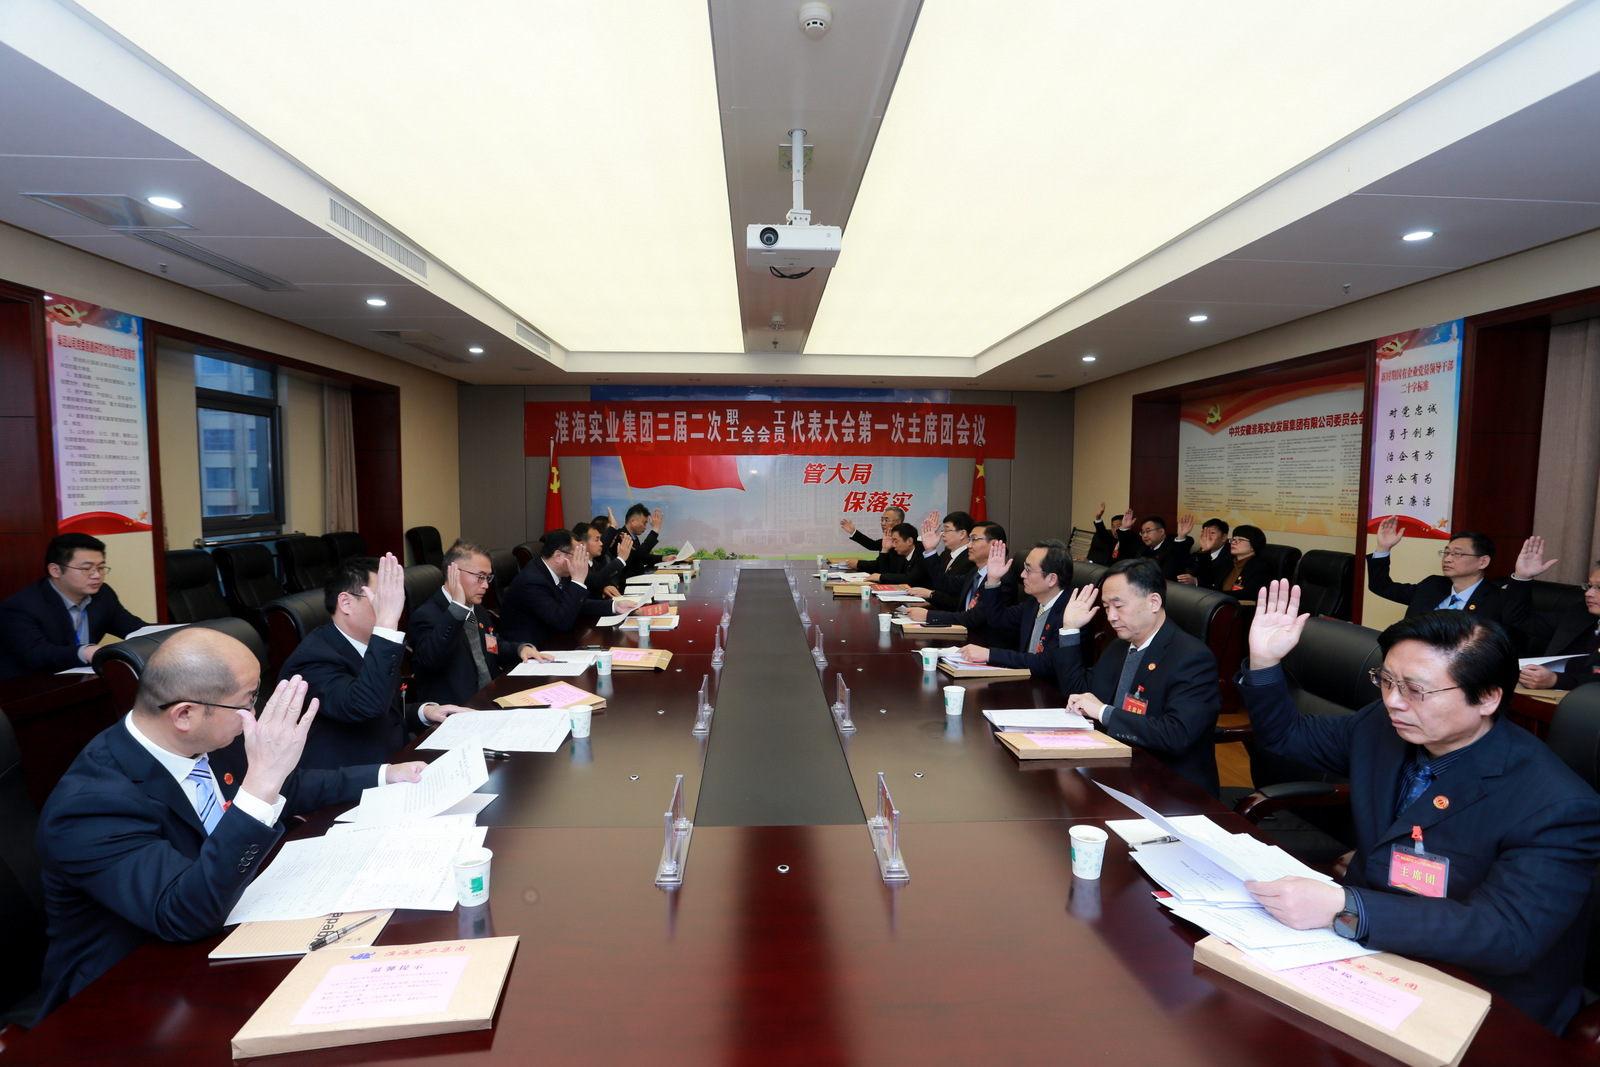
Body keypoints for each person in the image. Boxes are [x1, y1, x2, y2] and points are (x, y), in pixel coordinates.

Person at [1238, 580, 1600, 1033]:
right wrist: (1265, 662)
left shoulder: (1558, 805)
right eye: (1386, 680)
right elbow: (1285, 736)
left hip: (1480, 997)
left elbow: (1507, 935)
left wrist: (1348, 906)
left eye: (1415, 689)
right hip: (1363, 955)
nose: (1393, 701)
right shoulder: (1382, 727)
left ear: (1488, 697)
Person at [33, 627, 426, 1021]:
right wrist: (259, 785)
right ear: (184, 714)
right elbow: (182, 914)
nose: (253, 715)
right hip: (126, 996)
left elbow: (287, 786)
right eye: (247, 701)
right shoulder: (91, 805)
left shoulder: (205, 738)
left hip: (227, 931)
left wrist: (383, 775)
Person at [279, 553, 470, 770]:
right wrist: (386, 624)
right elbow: (363, 706)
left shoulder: (374, 644)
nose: (394, 608)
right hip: (353, 778)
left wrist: (424, 712)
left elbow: (385, 709)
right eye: (384, 599)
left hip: (397, 761)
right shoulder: (312, 659)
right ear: (346, 603)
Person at [1049, 558, 1221, 795]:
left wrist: (1104, 712)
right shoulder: (1118, 647)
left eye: (1118, 606)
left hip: (1169, 786)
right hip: (1116, 769)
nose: (1111, 617)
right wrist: (1070, 629)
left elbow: (1176, 735)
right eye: (1106, 607)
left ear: (1153, 602)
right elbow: (1079, 691)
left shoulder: (1192, 658)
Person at [410, 540, 551, 705]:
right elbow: (432, 659)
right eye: (480, 577)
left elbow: (490, 646)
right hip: (458, 707)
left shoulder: (476, 609)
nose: (485, 585)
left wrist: (520, 649)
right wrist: (456, 609)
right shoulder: (427, 615)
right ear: (453, 573)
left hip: (491, 696)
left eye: (488, 578)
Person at [0, 533, 149, 681]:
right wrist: (85, 652)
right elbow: (35, 654)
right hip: (30, 686)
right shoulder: (20, 606)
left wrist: (159, 635)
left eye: (101, 567)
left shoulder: (103, 595)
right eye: (87, 568)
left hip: (81, 681)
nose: (97, 575)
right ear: (55, 570)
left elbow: (133, 628)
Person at [499, 529, 636, 652]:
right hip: (532, 651)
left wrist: (614, 606)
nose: (582, 560)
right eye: (577, 556)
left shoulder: (556, 572)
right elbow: (561, 621)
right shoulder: (533, 581)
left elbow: (577, 604)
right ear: (558, 556)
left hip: (555, 640)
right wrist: (578, 580)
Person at [1367, 518, 1521, 624]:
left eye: (1457, 554)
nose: (1447, 559)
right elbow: (1381, 586)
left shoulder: (1497, 600)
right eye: (1446, 553)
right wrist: (1383, 548)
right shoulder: (1432, 585)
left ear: (1483, 562)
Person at [957, 539, 1073, 678]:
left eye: (1028, 570)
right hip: (1026, 679)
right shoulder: (1033, 603)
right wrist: (993, 580)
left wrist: (990, 654)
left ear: (1052, 579)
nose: (1022, 574)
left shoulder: (1072, 614)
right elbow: (997, 619)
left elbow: (1047, 663)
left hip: (1049, 687)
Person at [1503, 539, 1599, 691]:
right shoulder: (1580, 614)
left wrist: (1556, 680)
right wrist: (1522, 578)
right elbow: (1518, 618)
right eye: (1589, 586)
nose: (1588, 593)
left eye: (1599, 588)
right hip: (1545, 693)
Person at [906, 523, 1019, 644]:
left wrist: (928, 615)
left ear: (994, 544)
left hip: (984, 644)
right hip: (963, 636)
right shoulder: (975, 572)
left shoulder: (1002, 580)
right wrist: (930, 550)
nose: (969, 545)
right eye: (969, 540)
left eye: (974, 539)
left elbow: (974, 618)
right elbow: (944, 583)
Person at [906, 511, 977, 610]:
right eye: (943, 530)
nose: (943, 534)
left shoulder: (970, 559)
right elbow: (925, 574)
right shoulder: (946, 554)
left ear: (962, 534)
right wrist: (928, 548)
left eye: (947, 530)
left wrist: (930, 595)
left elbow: (956, 599)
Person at [1111, 510, 1195, 581]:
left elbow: (1167, 574)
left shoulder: (1173, 545)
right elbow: (1126, 552)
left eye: (1148, 531)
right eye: (1143, 532)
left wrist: (1181, 536)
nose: (1144, 535)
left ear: (1161, 531)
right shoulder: (1143, 546)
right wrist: (1124, 528)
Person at [864, 523, 933, 586]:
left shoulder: (922, 553)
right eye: (892, 541)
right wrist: (885, 550)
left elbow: (911, 579)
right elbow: (885, 572)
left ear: (909, 541)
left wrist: (881, 577)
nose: (893, 545)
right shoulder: (900, 553)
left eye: (896, 541)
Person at [611, 504, 668, 580]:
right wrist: (655, 530)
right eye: (644, 523)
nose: (645, 527)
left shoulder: (633, 537)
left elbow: (641, 558)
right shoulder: (621, 536)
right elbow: (641, 554)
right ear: (633, 521)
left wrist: (663, 558)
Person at [1216, 525, 1274, 599]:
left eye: (1240, 540)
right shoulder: (1228, 563)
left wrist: (1215, 594)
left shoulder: (1260, 568)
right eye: (1233, 539)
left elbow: (1248, 594)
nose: (1233, 543)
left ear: (1253, 546)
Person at [573, 521, 628, 599]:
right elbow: (593, 582)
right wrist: (620, 560)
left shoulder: (596, 564)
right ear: (582, 545)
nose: (601, 543)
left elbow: (605, 579)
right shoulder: (577, 566)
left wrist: (605, 588)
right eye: (597, 540)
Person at [839, 506, 904, 568]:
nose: (883, 523)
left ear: (898, 522)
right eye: (882, 520)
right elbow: (872, 545)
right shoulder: (889, 538)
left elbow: (885, 564)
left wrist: (859, 564)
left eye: (887, 520)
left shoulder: (902, 541)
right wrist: (853, 532)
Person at [1176, 518, 1230, 589]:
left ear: (1224, 537)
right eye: (1205, 533)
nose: (1207, 537)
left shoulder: (1230, 555)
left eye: (1212, 533)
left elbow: (1215, 583)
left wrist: (1196, 582)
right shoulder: (1202, 551)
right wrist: (1181, 536)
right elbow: (1182, 561)